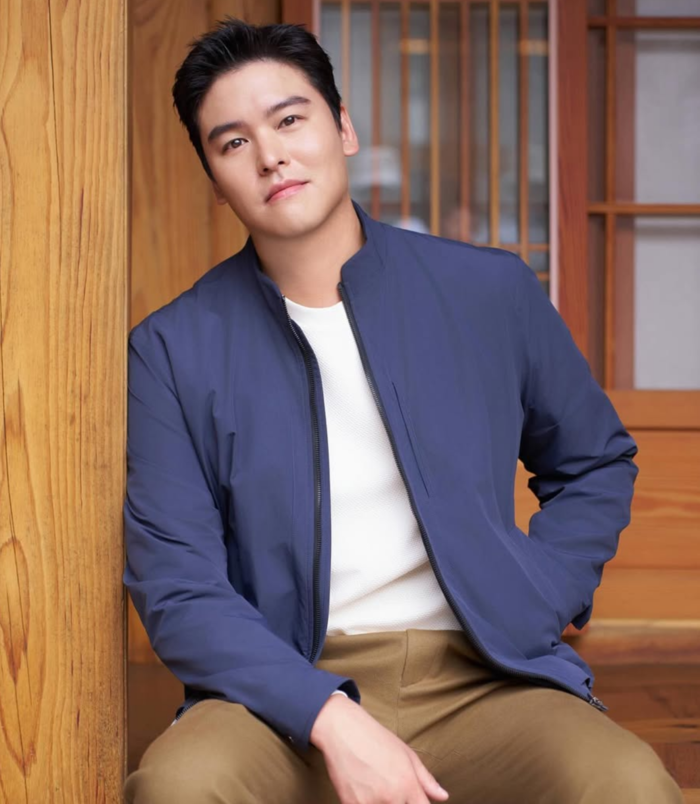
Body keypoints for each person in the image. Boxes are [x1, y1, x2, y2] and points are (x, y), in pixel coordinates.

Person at [122, 17, 684, 804]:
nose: (270, 155)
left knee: (626, 784)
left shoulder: (488, 292)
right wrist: (327, 715)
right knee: (180, 786)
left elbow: (593, 460)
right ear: (215, 179)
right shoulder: (172, 349)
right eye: (234, 142)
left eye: (290, 120)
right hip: (279, 690)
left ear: (343, 129)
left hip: (485, 674)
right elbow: (179, 587)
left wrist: (538, 591)